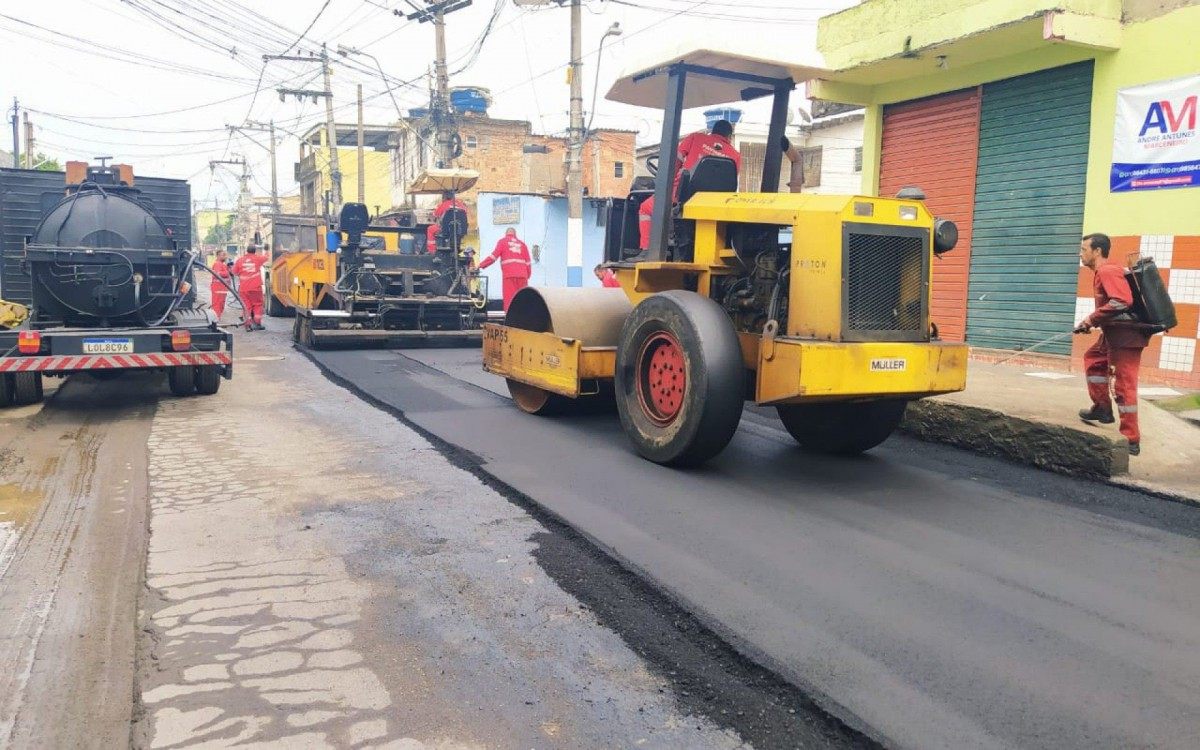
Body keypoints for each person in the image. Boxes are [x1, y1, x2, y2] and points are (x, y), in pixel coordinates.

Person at [1075, 232, 1152, 455]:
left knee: (1124, 385)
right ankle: (1102, 409)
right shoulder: (1101, 272)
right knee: (1094, 360)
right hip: (1113, 334)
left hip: (1126, 338)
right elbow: (1113, 305)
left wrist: (1091, 319)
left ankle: (1131, 439)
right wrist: (1091, 322)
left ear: (1097, 251)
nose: (1081, 254)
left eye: (1084, 249)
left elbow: (1121, 301)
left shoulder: (1107, 270)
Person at [639, 119, 743, 251]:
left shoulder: (696, 137)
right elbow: (731, 184)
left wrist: (666, 185)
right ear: (729, 137)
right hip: (711, 205)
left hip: (681, 197)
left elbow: (674, 164)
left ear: (712, 132)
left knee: (645, 208)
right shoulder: (736, 155)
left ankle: (646, 251)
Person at [478, 228, 532, 311]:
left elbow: (493, 257)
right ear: (515, 234)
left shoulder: (502, 242)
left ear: (506, 234)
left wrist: (480, 265)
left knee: (509, 299)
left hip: (509, 275)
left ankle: (509, 320)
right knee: (523, 299)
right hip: (522, 276)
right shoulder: (523, 244)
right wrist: (527, 276)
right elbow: (528, 263)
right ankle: (524, 320)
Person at [232, 244, 268, 331]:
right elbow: (267, 257)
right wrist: (267, 249)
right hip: (256, 287)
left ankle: (247, 324)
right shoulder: (258, 259)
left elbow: (234, 272)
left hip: (244, 288)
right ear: (255, 251)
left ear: (246, 251)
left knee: (246, 306)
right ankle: (257, 323)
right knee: (258, 305)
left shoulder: (240, 260)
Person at [209, 248, 232, 320]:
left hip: (222, 288)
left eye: (225, 255)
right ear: (218, 256)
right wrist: (227, 272)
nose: (225, 257)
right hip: (218, 288)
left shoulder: (222, 264)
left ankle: (217, 319)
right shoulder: (217, 264)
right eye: (223, 255)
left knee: (221, 305)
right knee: (217, 305)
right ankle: (215, 320)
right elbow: (218, 274)